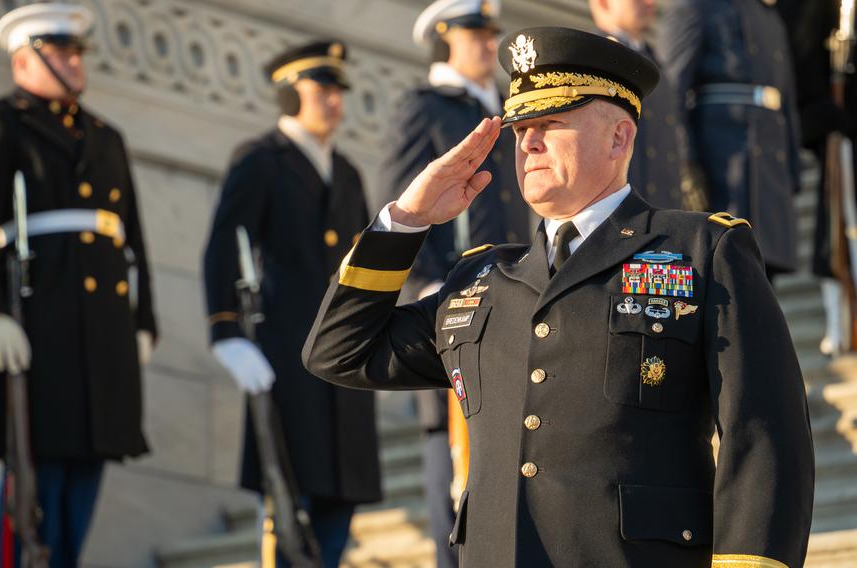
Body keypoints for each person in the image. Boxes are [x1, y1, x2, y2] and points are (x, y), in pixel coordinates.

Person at [303, 26, 814, 567]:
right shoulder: (480, 279)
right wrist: (404, 221)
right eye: (521, 128)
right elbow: (338, 352)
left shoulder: (700, 250)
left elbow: (764, 433)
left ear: (619, 138)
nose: (528, 143)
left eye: (550, 123)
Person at [0, 4, 157, 566]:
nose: (73, 62)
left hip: (104, 330)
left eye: (75, 52)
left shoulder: (105, 136)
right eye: (60, 52)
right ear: (24, 60)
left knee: (86, 472)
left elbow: (131, 240)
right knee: (35, 480)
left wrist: (143, 322)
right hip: (40, 319)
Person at [202, 40, 382, 568]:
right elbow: (223, 247)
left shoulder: (346, 171)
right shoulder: (261, 160)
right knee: (290, 505)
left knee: (339, 504)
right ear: (288, 93)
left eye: (337, 90)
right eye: (321, 89)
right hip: (285, 353)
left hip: (343, 358)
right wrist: (226, 331)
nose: (334, 101)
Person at [381, 2, 533, 564]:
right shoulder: (423, 107)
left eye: (491, 33)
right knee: (451, 450)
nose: (487, 43)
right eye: (475, 33)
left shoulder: (507, 110)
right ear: (444, 38)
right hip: (452, 297)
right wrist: (421, 282)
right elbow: (404, 198)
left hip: (513, 289)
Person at [657, 0, 802, 279]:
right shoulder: (695, 7)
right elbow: (671, 92)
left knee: (762, 275)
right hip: (720, 164)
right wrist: (685, 164)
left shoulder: (770, 17)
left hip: (770, 164)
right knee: (723, 267)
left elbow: (787, 102)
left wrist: (792, 170)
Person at [776, 0, 857, 355]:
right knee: (841, 227)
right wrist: (825, 117)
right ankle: (841, 322)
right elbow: (802, 58)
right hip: (841, 127)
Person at [588, 0, 692, 210]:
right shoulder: (590, 59)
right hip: (617, 213)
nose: (649, 2)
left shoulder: (655, 60)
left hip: (662, 209)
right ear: (602, 2)